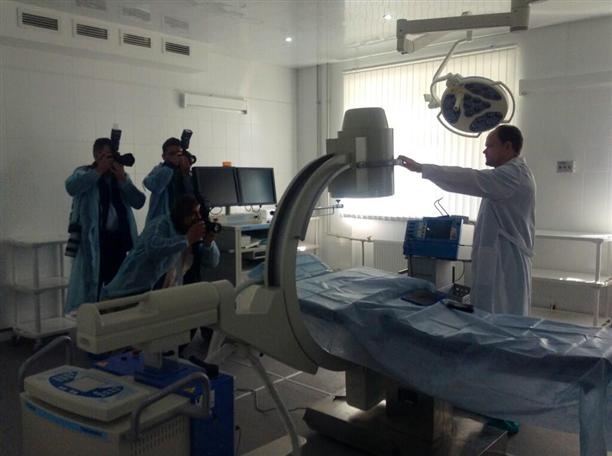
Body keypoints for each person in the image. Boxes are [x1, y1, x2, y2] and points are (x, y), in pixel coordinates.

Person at [398, 125, 535, 316]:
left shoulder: (512, 175)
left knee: (502, 313)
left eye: (490, 146)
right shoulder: (507, 176)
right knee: (491, 311)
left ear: (508, 147)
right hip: (498, 258)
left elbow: (469, 178)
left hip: (506, 261)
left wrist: (422, 168)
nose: (484, 151)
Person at [65, 138, 146, 313]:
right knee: (91, 288)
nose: (111, 160)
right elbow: (71, 187)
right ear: (97, 156)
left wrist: (123, 180)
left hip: (119, 242)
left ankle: (115, 322)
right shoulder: (85, 172)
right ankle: (92, 322)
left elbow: (139, 202)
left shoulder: (119, 177)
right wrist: (98, 171)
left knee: (118, 287)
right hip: (94, 243)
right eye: (107, 156)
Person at [100, 195, 220, 300]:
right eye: (193, 213)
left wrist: (208, 244)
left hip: (163, 297)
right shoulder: (161, 224)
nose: (198, 218)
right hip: (123, 295)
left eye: (199, 214)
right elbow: (153, 248)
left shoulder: (192, 234)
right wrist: (186, 239)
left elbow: (212, 262)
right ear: (182, 213)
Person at [143, 137, 194, 225]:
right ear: (163, 156)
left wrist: (186, 174)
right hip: (161, 224)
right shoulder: (159, 170)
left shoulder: (186, 172)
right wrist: (170, 167)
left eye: (179, 154)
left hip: (184, 222)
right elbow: (153, 186)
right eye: (172, 154)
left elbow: (193, 196)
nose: (176, 157)